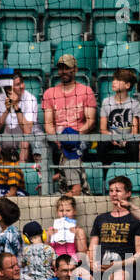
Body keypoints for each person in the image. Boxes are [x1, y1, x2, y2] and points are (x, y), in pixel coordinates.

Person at [89, 175, 140, 280]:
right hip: (100, 266)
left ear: (128, 193)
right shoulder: (101, 219)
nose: (114, 194)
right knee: (77, 276)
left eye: (118, 191)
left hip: (123, 267)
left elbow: (139, 254)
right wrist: (93, 263)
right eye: (111, 191)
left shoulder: (137, 220)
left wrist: (117, 264)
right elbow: (92, 246)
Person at [42, 52, 97, 192]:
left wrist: (74, 136)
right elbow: (48, 124)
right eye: (61, 68)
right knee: (42, 143)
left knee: (70, 151)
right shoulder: (49, 93)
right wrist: (57, 139)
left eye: (67, 68)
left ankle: (71, 188)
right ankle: (77, 188)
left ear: (75, 69)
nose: (63, 72)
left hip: (79, 134)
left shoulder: (86, 91)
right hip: (58, 135)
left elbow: (90, 122)